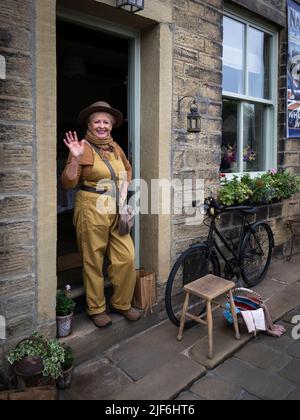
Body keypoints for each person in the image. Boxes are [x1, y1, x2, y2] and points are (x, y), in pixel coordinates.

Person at [61, 101, 141, 328]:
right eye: (97, 121)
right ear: (89, 124)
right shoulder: (82, 147)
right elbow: (68, 183)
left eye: (106, 122)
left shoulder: (115, 148)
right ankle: (96, 308)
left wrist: (124, 195)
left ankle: (121, 303)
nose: (102, 126)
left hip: (115, 207)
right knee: (93, 260)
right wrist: (75, 158)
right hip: (91, 207)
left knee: (126, 256)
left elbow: (127, 168)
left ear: (112, 125)